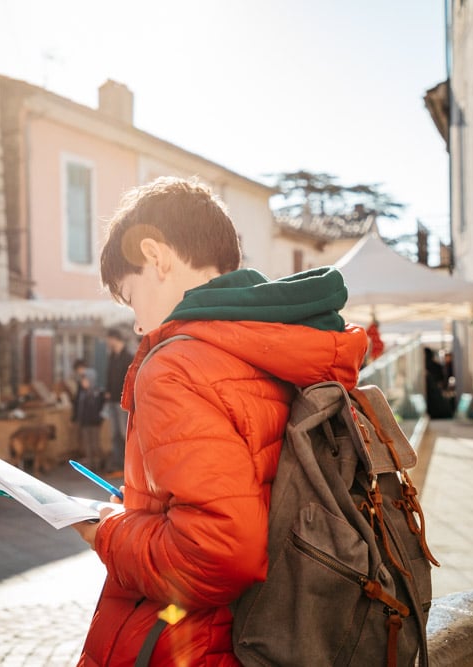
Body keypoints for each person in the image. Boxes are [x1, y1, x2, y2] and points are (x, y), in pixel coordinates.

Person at [71, 177, 367, 665]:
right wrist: (153, 504)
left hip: (200, 642)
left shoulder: (175, 366)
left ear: (157, 256)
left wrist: (108, 531)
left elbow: (219, 551)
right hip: (282, 629)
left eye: (130, 295)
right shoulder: (273, 340)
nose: (138, 324)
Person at [102, 328, 134, 476]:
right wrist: (107, 391)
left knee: (123, 432)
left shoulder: (128, 356)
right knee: (115, 433)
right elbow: (109, 375)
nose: (108, 342)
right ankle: (117, 462)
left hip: (123, 401)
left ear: (115, 338)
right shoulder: (112, 356)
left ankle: (128, 462)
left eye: (109, 339)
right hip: (112, 399)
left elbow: (129, 378)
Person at [72, 366, 105, 469]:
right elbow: (79, 407)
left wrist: (100, 418)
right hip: (85, 422)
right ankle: (91, 464)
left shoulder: (98, 393)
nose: (83, 383)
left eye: (85, 380)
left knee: (95, 444)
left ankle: (100, 462)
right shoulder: (82, 394)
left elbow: (101, 407)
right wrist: (78, 418)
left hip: (94, 422)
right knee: (88, 445)